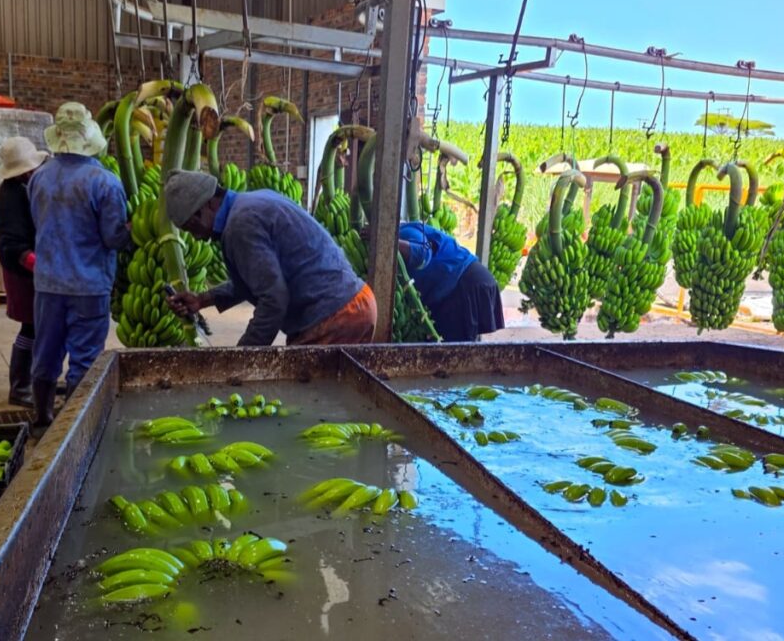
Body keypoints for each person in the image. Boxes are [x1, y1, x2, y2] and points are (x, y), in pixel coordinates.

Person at [164, 169, 377, 346]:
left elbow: (273, 299)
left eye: (193, 227)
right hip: (355, 304)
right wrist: (202, 300)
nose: (198, 237)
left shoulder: (240, 225)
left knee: (308, 395)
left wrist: (242, 357)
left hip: (336, 316)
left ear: (209, 204)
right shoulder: (250, 203)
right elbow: (258, 281)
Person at [29, 103, 131, 427]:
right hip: (89, 283)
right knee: (84, 359)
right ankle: (72, 428)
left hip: (47, 282)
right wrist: (132, 230)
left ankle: (43, 417)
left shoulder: (39, 176)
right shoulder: (104, 181)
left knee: (45, 352)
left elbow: (38, 223)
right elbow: (113, 237)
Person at [0, 137, 48, 408]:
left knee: (38, 325)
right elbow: (12, 244)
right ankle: (20, 387)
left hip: (32, 266)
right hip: (21, 269)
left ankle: (34, 380)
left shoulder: (28, 187)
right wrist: (41, 266)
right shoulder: (10, 197)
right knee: (31, 325)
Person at [398, 221, 504, 342]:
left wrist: (390, 243)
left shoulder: (405, 231)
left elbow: (423, 253)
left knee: (452, 354)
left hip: (463, 284)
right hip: (460, 287)